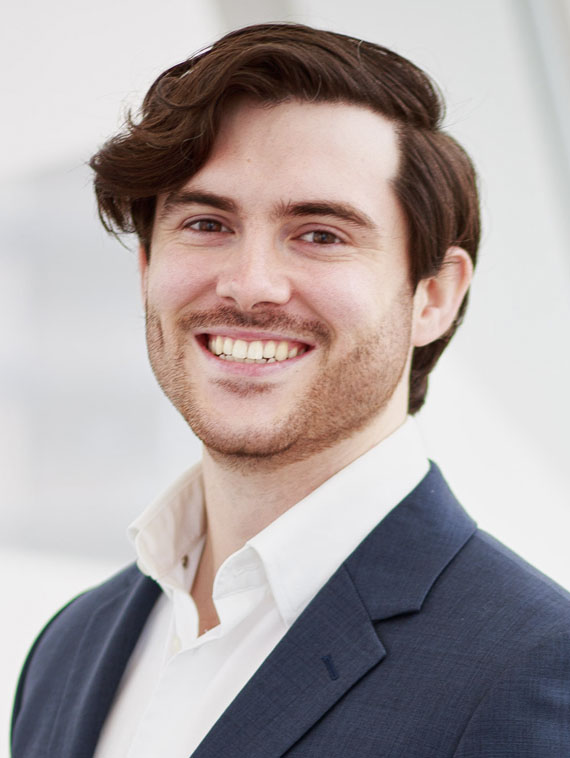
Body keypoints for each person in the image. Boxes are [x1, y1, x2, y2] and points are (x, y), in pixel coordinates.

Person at [11, 22, 570, 758]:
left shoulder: (531, 667)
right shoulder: (69, 648)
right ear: (146, 268)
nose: (249, 285)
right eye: (207, 223)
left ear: (433, 295)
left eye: (320, 234)